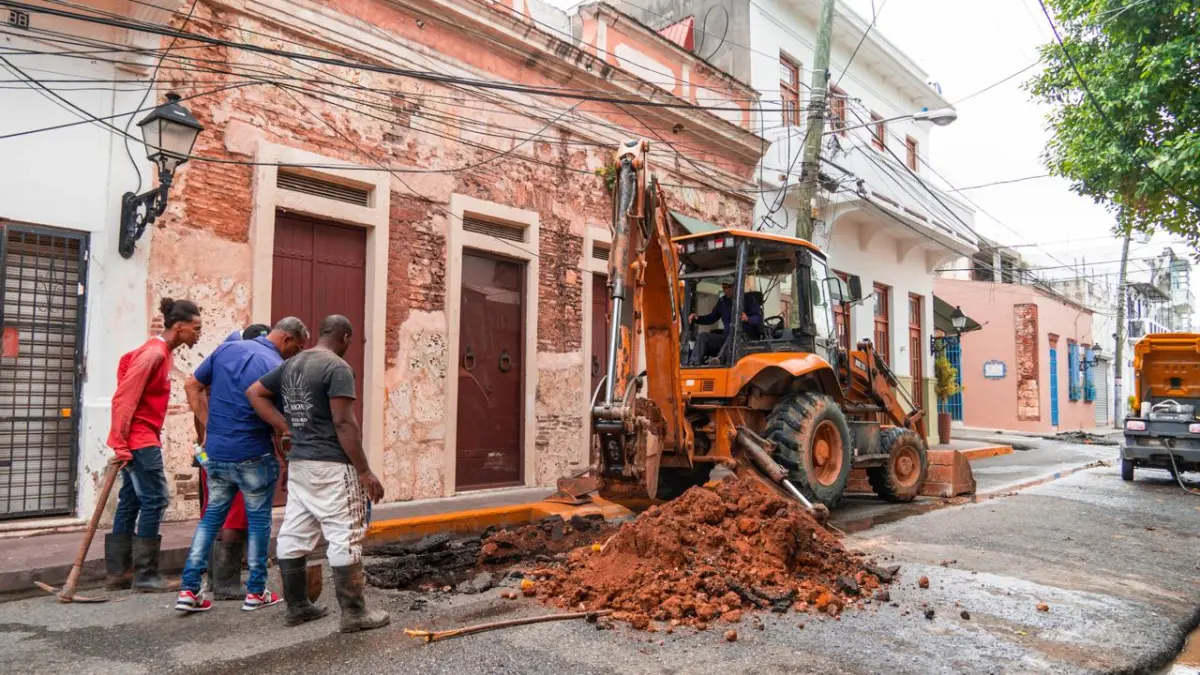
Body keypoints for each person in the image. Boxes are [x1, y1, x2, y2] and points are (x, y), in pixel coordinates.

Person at [247, 315, 389, 632]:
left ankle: (297, 607)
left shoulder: (292, 364)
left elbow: (255, 392)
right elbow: (343, 422)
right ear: (346, 337)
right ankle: (354, 614)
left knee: (295, 531)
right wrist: (364, 470)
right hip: (332, 465)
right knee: (345, 534)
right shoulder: (336, 368)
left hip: (299, 464)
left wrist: (284, 426)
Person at [175, 318, 310, 613]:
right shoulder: (277, 367)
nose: (295, 355)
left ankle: (188, 590)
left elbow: (192, 385)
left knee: (210, 520)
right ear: (286, 339)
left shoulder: (225, 350)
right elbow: (278, 420)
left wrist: (211, 426)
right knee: (259, 522)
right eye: (296, 348)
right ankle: (256, 592)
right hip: (252, 453)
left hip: (218, 453)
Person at [103, 298, 202, 593]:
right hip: (140, 440)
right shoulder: (155, 354)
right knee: (156, 499)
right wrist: (120, 443)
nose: (199, 334)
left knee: (132, 500)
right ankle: (145, 574)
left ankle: (119, 573)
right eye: (196, 328)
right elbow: (124, 397)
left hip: (140, 437)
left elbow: (125, 362)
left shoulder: (157, 351)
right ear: (180, 326)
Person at [192, 324, 273, 600]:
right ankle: (226, 583)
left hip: (213, 452)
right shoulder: (252, 367)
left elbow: (196, 391)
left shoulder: (221, 361)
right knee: (235, 517)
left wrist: (206, 431)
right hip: (240, 452)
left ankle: (213, 581)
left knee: (215, 513)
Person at [687, 279, 763, 365]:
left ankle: (718, 361)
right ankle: (693, 362)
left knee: (734, 334)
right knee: (703, 336)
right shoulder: (722, 302)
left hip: (744, 340)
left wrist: (748, 319)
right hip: (726, 338)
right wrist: (697, 318)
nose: (725, 290)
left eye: (728, 287)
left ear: (735, 286)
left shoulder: (749, 300)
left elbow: (758, 318)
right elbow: (712, 318)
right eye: (724, 287)